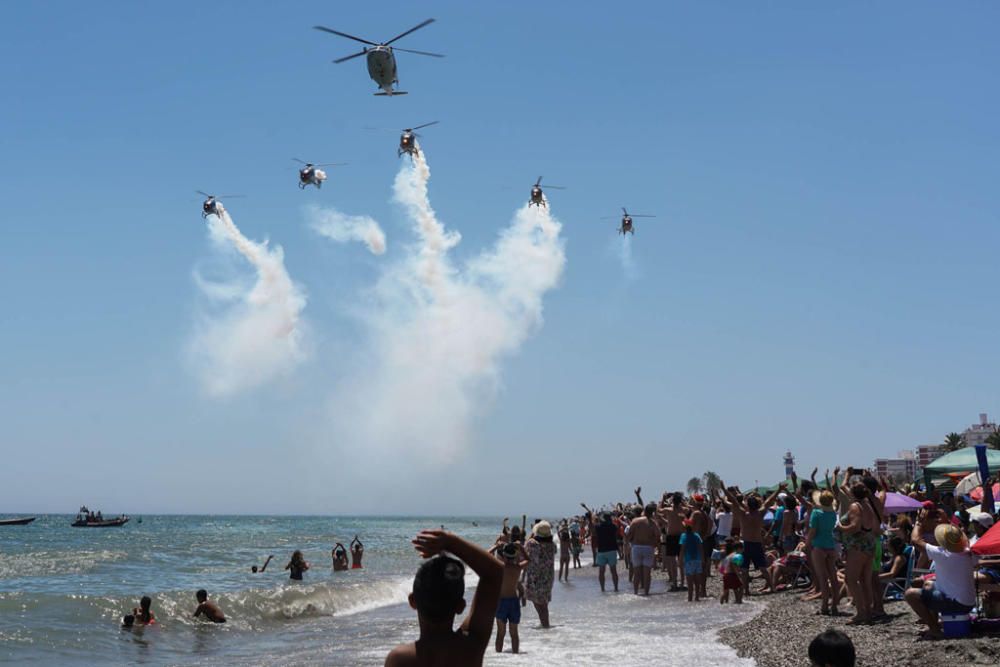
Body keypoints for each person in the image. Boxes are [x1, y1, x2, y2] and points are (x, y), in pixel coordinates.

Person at [385, 530, 502, 667]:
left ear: (412, 601)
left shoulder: (400, 659)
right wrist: (450, 542)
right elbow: (495, 572)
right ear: (460, 606)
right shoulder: (470, 648)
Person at [904, 522, 976, 639]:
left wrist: (918, 522)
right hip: (969, 602)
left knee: (910, 594)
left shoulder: (943, 553)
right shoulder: (966, 552)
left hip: (956, 604)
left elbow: (915, 541)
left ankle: (935, 630)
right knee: (928, 584)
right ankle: (935, 624)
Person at [839, 483, 879, 625]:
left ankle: (861, 613)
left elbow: (855, 527)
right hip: (869, 543)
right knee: (865, 581)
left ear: (853, 494)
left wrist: (841, 527)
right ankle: (868, 612)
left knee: (850, 579)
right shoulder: (867, 505)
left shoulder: (855, 506)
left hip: (858, 545)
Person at [806, 490, 841, 616]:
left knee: (822, 578)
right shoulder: (833, 513)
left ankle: (825, 606)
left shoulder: (816, 513)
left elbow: (813, 531)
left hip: (819, 546)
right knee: (833, 577)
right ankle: (835, 606)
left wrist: (807, 543)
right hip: (830, 546)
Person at [495, 542, 529, 654]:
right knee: (514, 633)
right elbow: (528, 560)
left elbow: (485, 555)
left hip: (501, 602)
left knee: (500, 633)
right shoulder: (518, 567)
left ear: (503, 556)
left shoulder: (499, 566)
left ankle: (498, 659)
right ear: (515, 556)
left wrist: (496, 546)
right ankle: (515, 658)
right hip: (514, 602)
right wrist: (522, 548)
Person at [524, 521, 557, 628]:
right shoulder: (552, 545)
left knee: (537, 602)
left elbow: (524, 551)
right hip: (548, 576)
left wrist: (531, 536)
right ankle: (545, 624)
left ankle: (545, 625)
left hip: (535, 577)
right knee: (544, 603)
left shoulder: (532, 544)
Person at [629, 503, 660, 596]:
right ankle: (646, 593)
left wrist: (632, 541)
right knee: (647, 573)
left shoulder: (635, 521)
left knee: (636, 572)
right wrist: (656, 546)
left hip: (637, 547)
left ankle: (635, 593)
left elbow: (629, 534)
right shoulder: (653, 523)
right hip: (648, 547)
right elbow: (658, 535)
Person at [658, 492, 686, 591]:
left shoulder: (668, 510)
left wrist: (663, 498)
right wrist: (683, 502)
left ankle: (675, 583)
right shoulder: (683, 510)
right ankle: (682, 583)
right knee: (681, 561)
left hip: (671, 537)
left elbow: (659, 510)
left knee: (673, 562)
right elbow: (689, 508)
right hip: (681, 536)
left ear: (672, 501)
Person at [593, 512, 620, 592]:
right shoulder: (613, 526)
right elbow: (616, 532)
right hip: (612, 549)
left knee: (601, 571)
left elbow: (594, 524)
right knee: (613, 570)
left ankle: (602, 589)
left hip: (601, 550)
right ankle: (616, 588)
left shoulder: (598, 527)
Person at [680, 519, 703, 602]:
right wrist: (702, 559)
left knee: (690, 583)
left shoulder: (683, 536)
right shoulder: (697, 535)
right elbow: (701, 548)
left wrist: (680, 560)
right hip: (697, 560)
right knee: (697, 581)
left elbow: (682, 549)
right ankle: (697, 597)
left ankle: (690, 599)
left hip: (688, 561)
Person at [719, 539, 744, 604]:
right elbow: (734, 566)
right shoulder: (735, 556)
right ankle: (739, 601)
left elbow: (722, 567)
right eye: (742, 549)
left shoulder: (729, 556)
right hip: (732, 574)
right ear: (738, 548)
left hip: (726, 575)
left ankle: (721, 603)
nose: (742, 551)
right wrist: (739, 575)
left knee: (726, 591)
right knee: (741, 587)